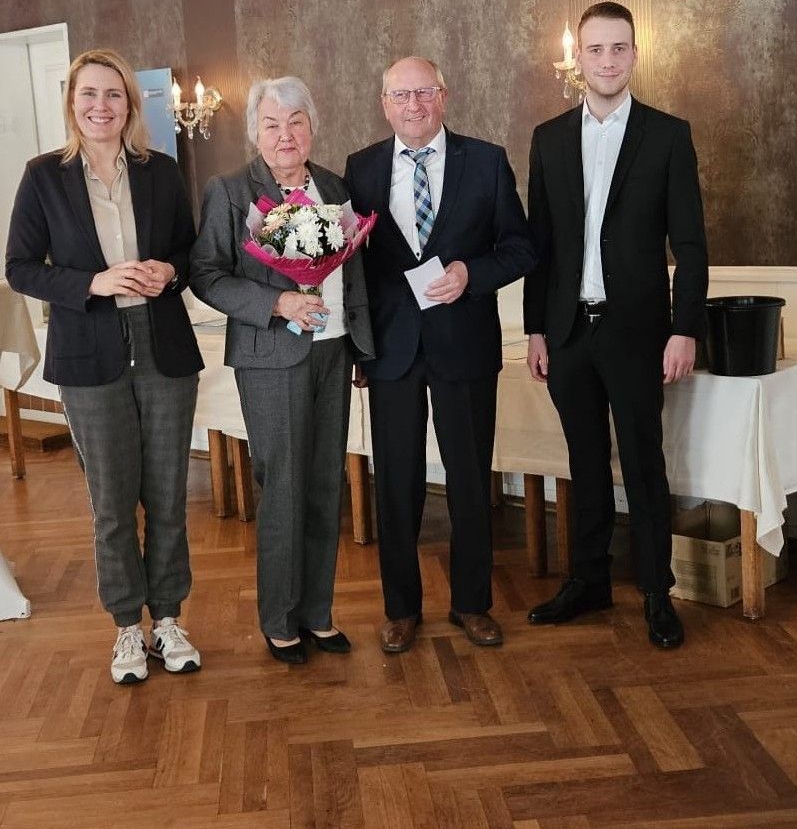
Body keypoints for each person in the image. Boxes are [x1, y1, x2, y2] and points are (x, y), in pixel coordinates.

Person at [5, 49, 203, 685]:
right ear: (72, 103)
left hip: (163, 346)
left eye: (113, 95)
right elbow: (20, 267)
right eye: (88, 94)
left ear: (130, 105)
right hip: (88, 354)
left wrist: (169, 270)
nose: (101, 106)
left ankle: (167, 619)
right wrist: (92, 282)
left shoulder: (161, 172)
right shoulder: (43, 176)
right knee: (112, 505)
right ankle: (125, 626)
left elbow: (190, 252)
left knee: (167, 497)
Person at [524, 1, 708, 649]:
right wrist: (536, 328)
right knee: (584, 461)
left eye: (619, 48)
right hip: (568, 331)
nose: (607, 60)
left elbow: (691, 244)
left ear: (634, 54)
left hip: (638, 332)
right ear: (578, 58)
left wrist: (684, 328)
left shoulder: (668, 135)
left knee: (643, 461)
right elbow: (540, 244)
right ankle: (589, 580)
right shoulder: (548, 138)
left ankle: (657, 592)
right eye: (595, 49)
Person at [344, 57, 534, 653]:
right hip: (391, 351)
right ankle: (400, 610)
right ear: (384, 104)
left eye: (424, 92)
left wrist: (470, 273)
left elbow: (521, 248)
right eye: (401, 95)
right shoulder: (360, 169)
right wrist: (358, 348)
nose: (414, 104)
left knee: (470, 480)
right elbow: (352, 269)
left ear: (444, 96)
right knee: (395, 483)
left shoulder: (487, 161)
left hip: (465, 345)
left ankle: (472, 604)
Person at [191, 76, 375, 664]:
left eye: (296, 122)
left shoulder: (334, 187)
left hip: (334, 351)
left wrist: (361, 348)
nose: (285, 135)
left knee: (325, 484)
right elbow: (207, 274)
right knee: (285, 487)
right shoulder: (231, 191)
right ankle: (279, 619)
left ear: (312, 128)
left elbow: (354, 272)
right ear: (255, 133)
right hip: (271, 355)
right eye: (271, 124)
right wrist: (277, 303)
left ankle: (318, 613)